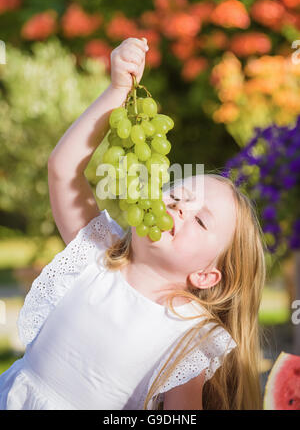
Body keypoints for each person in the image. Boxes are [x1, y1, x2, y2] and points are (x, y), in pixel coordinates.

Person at [0, 38, 266, 410]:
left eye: (201, 220)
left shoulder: (191, 335)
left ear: (207, 276)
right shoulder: (97, 251)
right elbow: (62, 170)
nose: (177, 208)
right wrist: (118, 91)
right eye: (176, 196)